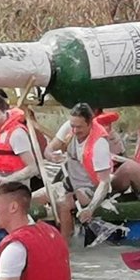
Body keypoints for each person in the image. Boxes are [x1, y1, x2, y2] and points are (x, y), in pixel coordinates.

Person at [43, 103, 116, 241]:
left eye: (79, 127)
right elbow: (49, 148)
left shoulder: (100, 144)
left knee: (63, 203)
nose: (75, 131)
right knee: (33, 198)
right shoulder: (70, 126)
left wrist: (91, 209)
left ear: (90, 124)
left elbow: (104, 183)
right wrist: (50, 155)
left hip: (91, 188)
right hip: (69, 183)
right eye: (73, 126)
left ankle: (65, 244)